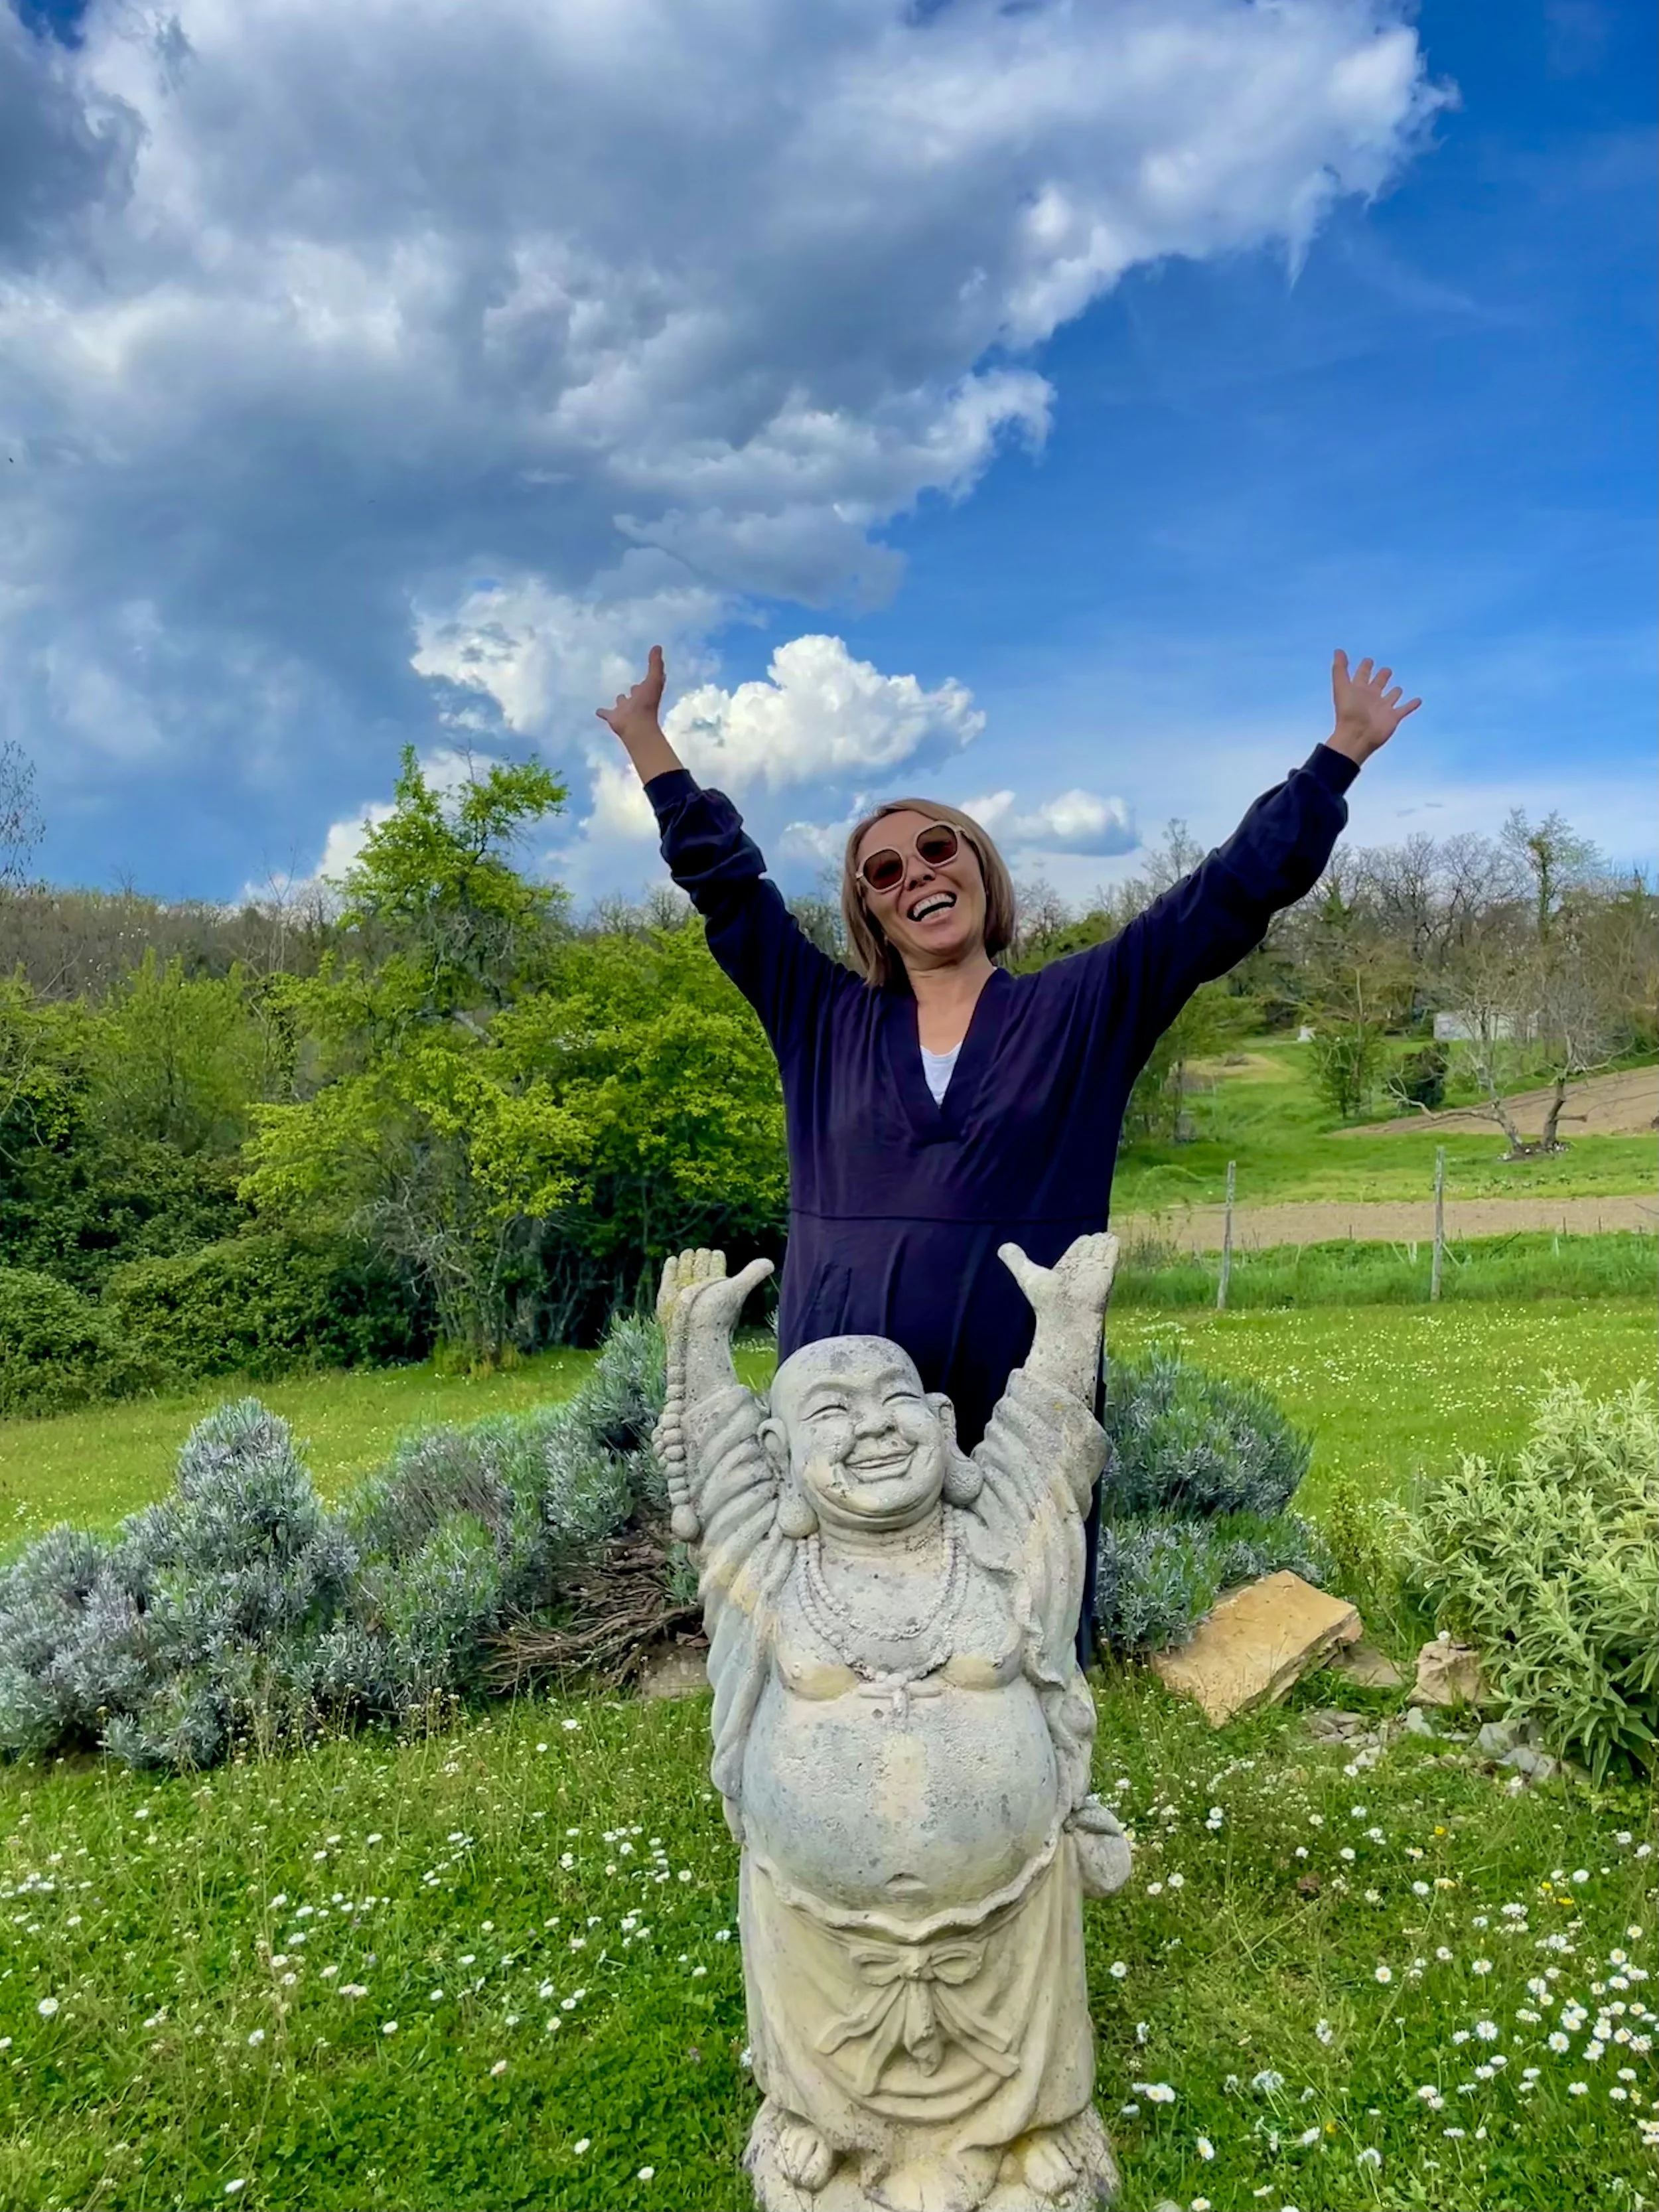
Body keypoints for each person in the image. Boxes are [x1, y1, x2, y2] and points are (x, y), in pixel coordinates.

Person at [599, 645, 1419, 1454]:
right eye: (883, 871)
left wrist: (1338, 755)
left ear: (978, 866)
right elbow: (726, 888)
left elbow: (1221, 898)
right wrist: (645, 737)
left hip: (1022, 1419)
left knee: (1034, 1589)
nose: (915, 874)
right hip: (840, 1420)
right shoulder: (820, 1018)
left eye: (936, 848)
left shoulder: (1080, 1010)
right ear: (871, 911)